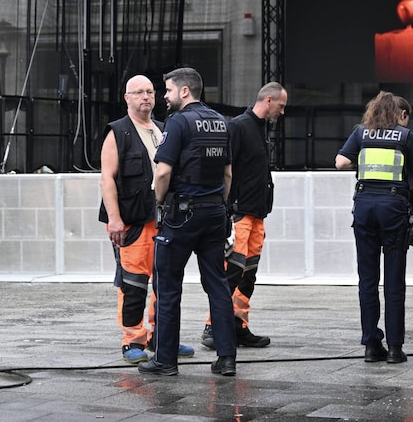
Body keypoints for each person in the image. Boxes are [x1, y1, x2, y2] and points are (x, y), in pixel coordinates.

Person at [138, 67, 238, 377]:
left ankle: (165, 360)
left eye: (167, 90)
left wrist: (158, 201)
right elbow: (228, 174)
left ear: (184, 91)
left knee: (168, 286)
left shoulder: (178, 122)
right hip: (213, 212)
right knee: (218, 287)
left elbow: (164, 172)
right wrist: (219, 205)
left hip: (182, 214)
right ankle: (227, 359)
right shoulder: (221, 122)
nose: (164, 97)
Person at [99, 74, 195, 364]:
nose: (146, 97)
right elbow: (107, 179)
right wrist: (114, 219)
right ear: (126, 98)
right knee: (134, 282)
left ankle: (161, 337)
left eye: (150, 92)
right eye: (138, 92)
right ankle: (132, 340)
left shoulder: (164, 129)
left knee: (164, 280)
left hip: (164, 219)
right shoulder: (118, 132)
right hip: (132, 221)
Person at [334, 91, 413, 364]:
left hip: (364, 208)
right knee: (394, 281)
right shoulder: (406, 137)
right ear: (401, 113)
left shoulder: (361, 133)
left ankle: (372, 345)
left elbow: (340, 162)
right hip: (394, 209)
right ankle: (395, 348)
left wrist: (361, 162)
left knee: (368, 280)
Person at [200, 82, 287, 350]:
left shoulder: (260, 129)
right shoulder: (239, 126)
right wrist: (228, 210)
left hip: (256, 213)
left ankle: (238, 326)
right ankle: (214, 327)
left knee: (247, 274)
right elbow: (224, 169)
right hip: (240, 214)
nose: (282, 112)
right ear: (269, 100)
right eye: (281, 106)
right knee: (231, 273)